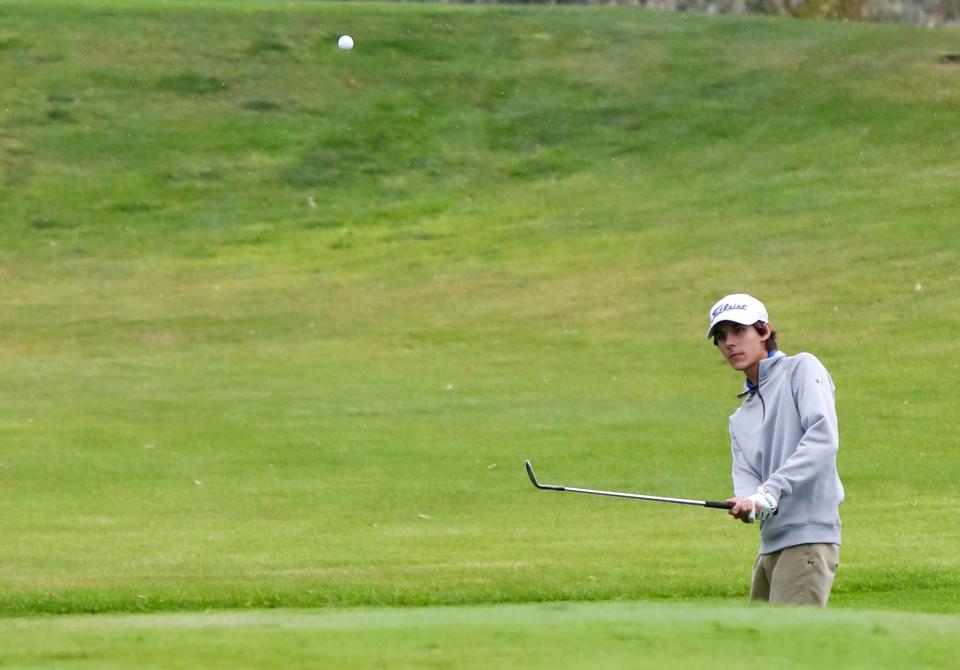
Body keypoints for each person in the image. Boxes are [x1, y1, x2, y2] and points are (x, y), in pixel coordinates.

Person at [706, 293, 844, 606]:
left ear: (765, 331)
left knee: (789, 650)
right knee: (760, 649)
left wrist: (770, 491)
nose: (729, 343)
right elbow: (748, 483)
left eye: (739, 331)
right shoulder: (739, 418)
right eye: (721, 336)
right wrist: (747, 503)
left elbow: (823, 438)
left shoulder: (802, 369)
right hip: (770, 545)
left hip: (808, 539)